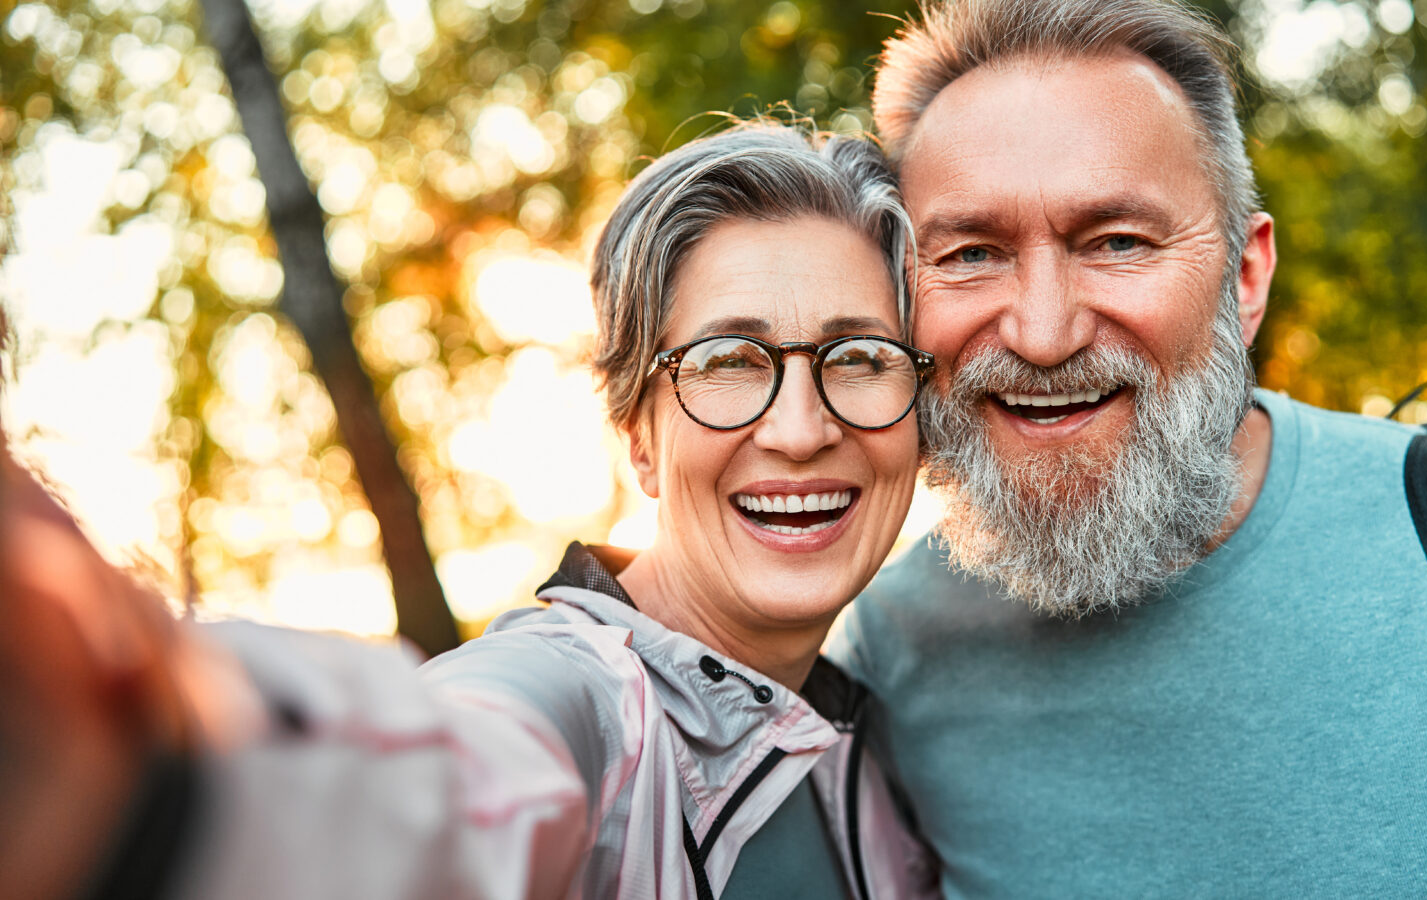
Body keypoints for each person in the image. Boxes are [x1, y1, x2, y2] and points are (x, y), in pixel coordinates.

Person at [0, 123, 939, 899]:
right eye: (729, 363)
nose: (803, 428)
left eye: (859, 359)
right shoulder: (577, 698)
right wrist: (156, 758)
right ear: (639, 436)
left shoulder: (876, 736)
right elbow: (460, 777)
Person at [828, 0, 1427, 897]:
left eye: (1117, 242)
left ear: (1245, 276)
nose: (1042, 334)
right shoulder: (885, 655)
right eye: (968, 255)